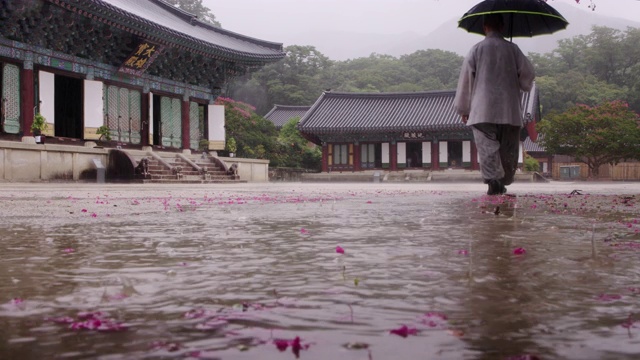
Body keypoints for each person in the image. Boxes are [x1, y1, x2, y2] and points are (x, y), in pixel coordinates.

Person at [453, 13, 535, 195]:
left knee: (487, 148)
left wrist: (463, 108)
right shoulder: (513, 49)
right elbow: (528, 75)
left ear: (485, 27)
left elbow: (466, 81)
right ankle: (502, 181)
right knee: (507, 150)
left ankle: (494, 181)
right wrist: (520, 83)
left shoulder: (476, 50)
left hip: (482, 110)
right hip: (510, 110)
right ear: (502, 26)